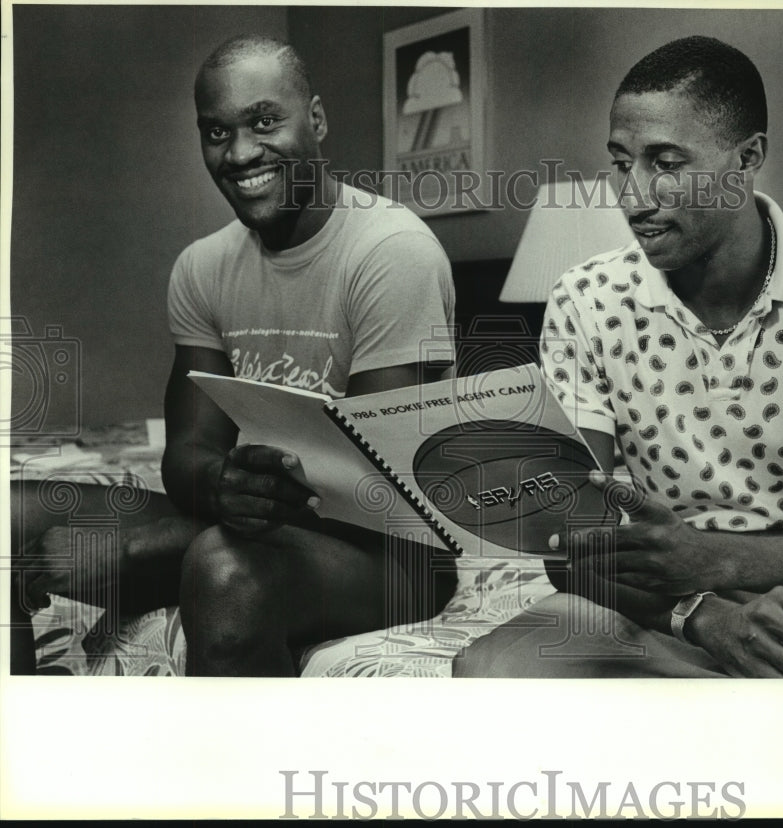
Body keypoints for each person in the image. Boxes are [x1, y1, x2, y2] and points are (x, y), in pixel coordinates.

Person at [453, 36, 783, 679]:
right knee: (496, 672)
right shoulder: (586, 298)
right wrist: (704, 613)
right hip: (662, 603)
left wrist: (717, 558)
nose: (634, 196)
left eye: (665, 162)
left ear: (747, 158)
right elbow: (571, 542)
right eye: (621, 163)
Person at [11, 35, 458, 676]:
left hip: (393, 559)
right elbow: (189, 452)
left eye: (264, 121)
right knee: (10, 519)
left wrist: (151, 546)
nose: (241, 152)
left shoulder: (391, 253)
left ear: (318, 120)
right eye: (217, 131)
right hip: (258, 521)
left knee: (222, 569)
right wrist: (218, 486)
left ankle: (232, 774)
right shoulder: (203, 266)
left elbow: (374, 491)